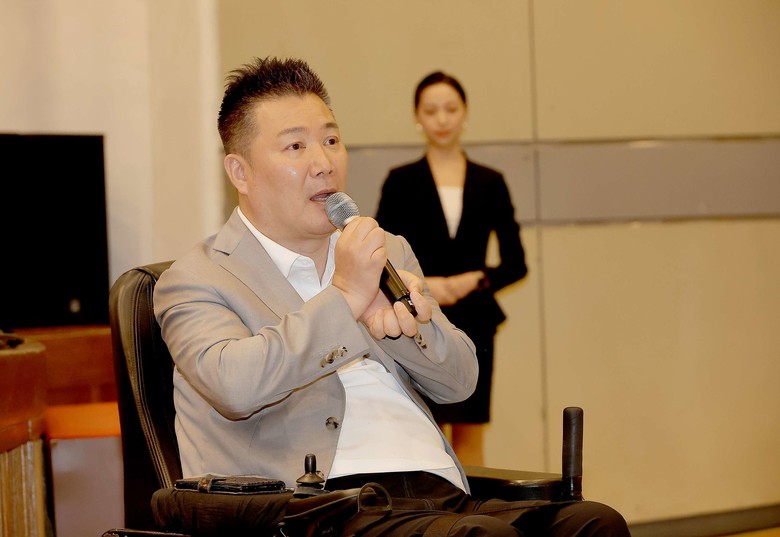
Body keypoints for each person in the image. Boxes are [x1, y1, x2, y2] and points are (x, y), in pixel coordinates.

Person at [153, 56, 629, 536]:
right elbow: (234, 387)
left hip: (438, 490)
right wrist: (346, 298)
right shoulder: (197, 278)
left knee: (593, 523)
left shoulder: (385, 250)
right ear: (240, 173)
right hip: (322, 509)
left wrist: (406, 327)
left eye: (331, 141)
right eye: (295, 146)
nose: (324, 164)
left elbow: (460, 382)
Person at [375, 71, 527, 467]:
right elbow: (379, 255)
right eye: (431, 111)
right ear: (417, 117)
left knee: (471, 431)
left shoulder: (490, 181)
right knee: (426, 430)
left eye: (450, 109)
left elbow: (517, 263)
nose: (441, 119)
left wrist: (477, 279)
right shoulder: (400, 181)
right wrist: (427, 285)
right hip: (417, 317)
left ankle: (474, 506)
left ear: (465, 114)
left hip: (476, 318)